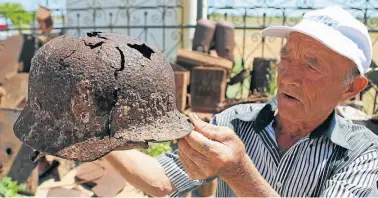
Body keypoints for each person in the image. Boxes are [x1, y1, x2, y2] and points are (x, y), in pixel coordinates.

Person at [104, 6, 378, 197]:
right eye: (286, 58)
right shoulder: (234, 122)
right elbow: (162, 179)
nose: (289, 76)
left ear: (351, 88)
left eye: (312, 65)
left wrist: (238, 172)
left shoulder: (364, 153)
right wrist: (93, 137)